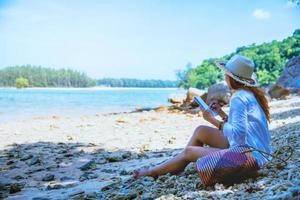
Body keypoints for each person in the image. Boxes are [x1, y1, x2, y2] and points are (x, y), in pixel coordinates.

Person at [134, 54, 271, 178]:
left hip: (250, 157)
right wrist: (222, 114)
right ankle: (178, 164)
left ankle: (153, 172)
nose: (224, 77)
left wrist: (212, 120)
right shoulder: (247, 94)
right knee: (201, 131)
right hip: (256, 151)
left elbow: (239, 135)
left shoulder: (238, 98)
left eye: (226, 74)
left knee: (189, 152)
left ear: (231, 78)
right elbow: (243, 128)